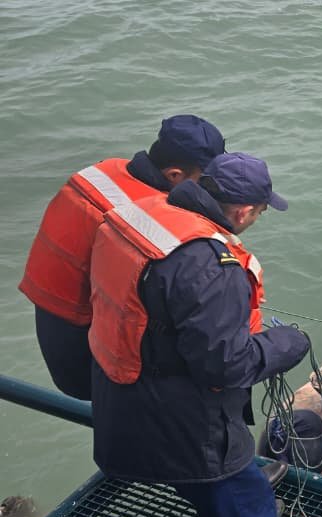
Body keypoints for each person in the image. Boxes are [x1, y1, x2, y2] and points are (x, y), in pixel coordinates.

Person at [87, 152, 322, 517]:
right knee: (245, 500)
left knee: (216, 483)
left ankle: (220, 489)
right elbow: (225, 365)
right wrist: (286, 344)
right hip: (180, 420)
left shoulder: (143, 214)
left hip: (118, 392)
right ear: (243, 211)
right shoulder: (213, 265)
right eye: (261, 211)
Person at [19, 115, 226, 400]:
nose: (210, 189)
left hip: (47, 300)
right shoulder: (146, 215)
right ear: (174, 175)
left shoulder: (106, 168)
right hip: (79, 341)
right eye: (205, 181)